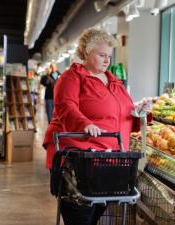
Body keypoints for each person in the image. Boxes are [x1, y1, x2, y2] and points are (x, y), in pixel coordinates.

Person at [42, 28, 152, 225]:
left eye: (109, 56)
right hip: (79, 158)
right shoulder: (71, 77)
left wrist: (140, 111)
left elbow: (123, 113)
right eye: (101, 55)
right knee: (80, 213)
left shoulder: (114, 82)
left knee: (97, 209)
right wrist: (85, 123)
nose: (107, 60)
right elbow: (66, 107)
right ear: (85, 52)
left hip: (109, 159)